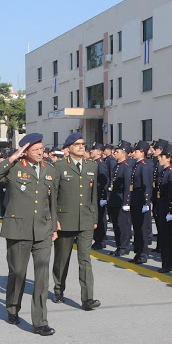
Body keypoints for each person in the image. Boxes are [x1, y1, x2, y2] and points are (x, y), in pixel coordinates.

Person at [0, 133, 58, 336]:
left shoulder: (50, 170)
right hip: (19, 230)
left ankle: (40, 322)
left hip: (43, 230)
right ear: (24, 151)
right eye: (35, 150)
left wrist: (54, 226)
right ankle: (12, 307)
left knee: (42, 277)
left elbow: (52, 201)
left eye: (41, 149)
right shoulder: (14, 168)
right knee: (18, 273)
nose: (40, 152)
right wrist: (11, 158)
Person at [51, 133, 101, 311]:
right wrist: (54, 220)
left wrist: (94, 217)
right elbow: (53, 196)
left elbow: (94, 194)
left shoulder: (92, 166)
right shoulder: (58, 166)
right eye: (77, 144)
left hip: (86, 220)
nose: (82, 146)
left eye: (83, 144)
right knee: (61, 259)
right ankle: (58, 289)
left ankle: (88, 299)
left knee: (85, 260)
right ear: (68, 148)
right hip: (65, 220)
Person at [127, 141, 154, 264]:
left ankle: (143, 254)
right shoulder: (137, 165)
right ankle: (138, 253)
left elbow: (147, 185)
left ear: (142, 153)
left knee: (142, 229)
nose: (134, 153)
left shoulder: (144, 165)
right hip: (135, 198)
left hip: (141, 199)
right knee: (137, 228)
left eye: (136, 151)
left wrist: (146, 202)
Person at [156, 146, 172, 273]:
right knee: (163, 237)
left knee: (168, 238)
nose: (159, 159)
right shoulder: (163, 172)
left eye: (162, 157)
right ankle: (165, 263)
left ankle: (170, 264)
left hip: (167, 209)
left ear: (169, 159)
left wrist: (171, 212)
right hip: (161, 207)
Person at [108, 141, 133, 257]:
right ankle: (119, 246)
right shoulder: (117, 165)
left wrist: (126, 202)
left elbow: (128, 185)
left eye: (117, 151)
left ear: (123, 153)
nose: (114, 153)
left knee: (122, 225)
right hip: (114, 198)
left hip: (121, 198)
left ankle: (124, 247)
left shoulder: (126, 167)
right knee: (116, 225)